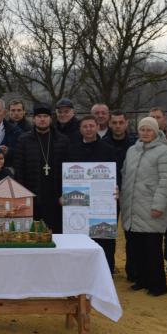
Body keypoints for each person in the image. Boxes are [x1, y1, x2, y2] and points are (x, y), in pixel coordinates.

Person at [120, 117, 167, 297]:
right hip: (132, 206)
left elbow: (166, 181)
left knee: (152, 249)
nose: (145, 133)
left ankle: (157, 285)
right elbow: (124, 174)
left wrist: (159, 205)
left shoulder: (164, 152)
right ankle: (142, 279)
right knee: (137, 248)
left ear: (156, 131)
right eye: (142, 129)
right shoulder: (132, 150)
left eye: (149, 130)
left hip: (151, 206)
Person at [66, 115, 119, 271]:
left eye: (91, 126)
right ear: (80, 129)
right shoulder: (72, 150)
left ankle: (106, 271)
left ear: (97, 127)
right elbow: (65, 175)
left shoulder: (108, 149)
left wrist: (117, 188)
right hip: (78, 204)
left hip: (103, 203)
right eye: (85, 126)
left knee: (103, 237)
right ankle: (80, 271)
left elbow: (116, 174)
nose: (88, 129)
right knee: (79, 236)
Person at [13, 104, 69, 233]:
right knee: (33, 234)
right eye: (39, 116)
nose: (42, 119)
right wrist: (22, 195)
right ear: (34, 119)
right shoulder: (24, 140)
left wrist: (64, 193)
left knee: (55, 233)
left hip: (55, 196)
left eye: (45, 116)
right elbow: (19, 169)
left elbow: (67, 170)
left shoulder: (62, 140)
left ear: (50, 119)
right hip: (32, 195)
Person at [105, 110, 137, 279]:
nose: (117, 126)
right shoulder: (103, 142)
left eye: (120, 122)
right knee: (107, 232)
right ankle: (108, 268)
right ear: (109, 124)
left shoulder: (135, 143)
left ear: (126, 123)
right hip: (108, 194)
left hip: (131, 192)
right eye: (114, 123)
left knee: (131, 232)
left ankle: (133, 270)